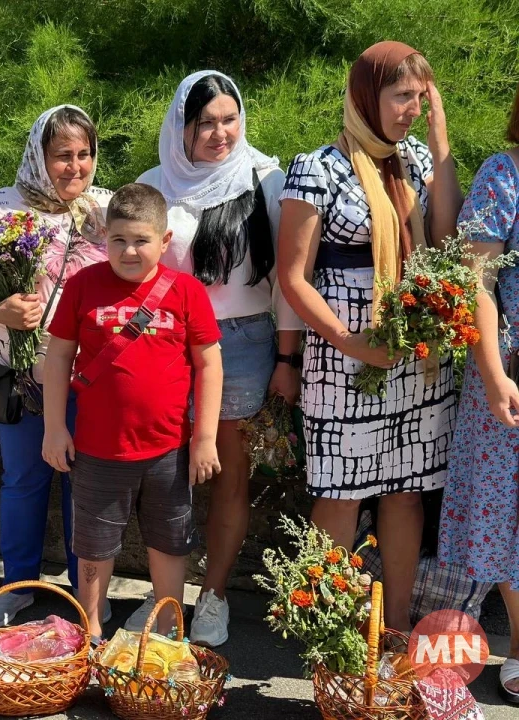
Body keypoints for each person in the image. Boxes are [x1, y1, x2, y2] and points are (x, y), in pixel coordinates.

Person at [277, 42, 462, 630]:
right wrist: (351, 342)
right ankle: (328, 630)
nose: (412, 107)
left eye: (419, 95)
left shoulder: (413, 161)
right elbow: (293, 277)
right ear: (366, 95)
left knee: (406, 493)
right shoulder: (318, 168)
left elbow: (445, 232)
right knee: (341, 494)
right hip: (344, 360)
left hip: (413, 358)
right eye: (401, 94)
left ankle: (397, 626)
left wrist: (440, 145)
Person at [135, 70, 302, 646]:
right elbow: (137, 279)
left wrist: (288, 358)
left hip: (244, 347)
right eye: (204, 122)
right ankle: (165, 600)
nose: (218, 132)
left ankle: (214, 595)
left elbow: (286, 281)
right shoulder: (154, 185)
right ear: (181, 125)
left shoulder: (265, 178)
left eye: (228, 119)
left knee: (228, 478)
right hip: (164, 347)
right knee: (165, 478)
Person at [0, 105, 114, 627]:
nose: (75, 166)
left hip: (88, 379)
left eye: (84, 154)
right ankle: (17, 583)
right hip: (18, 376)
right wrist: (0, 310)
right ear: (40, 157)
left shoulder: (102, 211)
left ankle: (82, 588)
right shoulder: (2, 208)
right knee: (22, 479)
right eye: (62, 155)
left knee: (82, 482)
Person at [43, 183, 223, 641]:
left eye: (141, 241)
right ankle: (91, 631)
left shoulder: (186, 291)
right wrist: (53, 428)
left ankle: (168, 629)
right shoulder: (83, 286)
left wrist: (204, 438)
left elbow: (209, 363)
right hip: (98, 449)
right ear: (105, 237)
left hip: (168, 449)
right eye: (118, 240)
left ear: (165, 242)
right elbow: (59, 357)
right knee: (93, 547)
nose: (128, 251)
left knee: (168, 542)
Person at [438, 81, 519, 704]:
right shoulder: (503, 175)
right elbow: (476, 281)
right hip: (511, 371)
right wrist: (493, 374)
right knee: (506, 512)